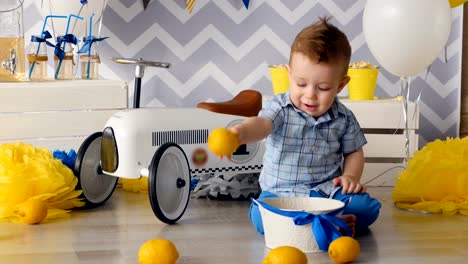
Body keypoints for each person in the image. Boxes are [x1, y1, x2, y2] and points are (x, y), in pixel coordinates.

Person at [227, 17, 381, 235]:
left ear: (340, 85)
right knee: (261, 217)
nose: (310, 95)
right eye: (301, 84)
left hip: (325, 193)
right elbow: (262, 125)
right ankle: (330, 223)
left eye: (323, 87)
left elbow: (354, 151)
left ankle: (314, 223)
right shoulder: (281, 109)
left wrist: (350, 178)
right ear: (289, 74)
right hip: (281, 194)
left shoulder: (344, 118)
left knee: (366, 208)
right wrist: (240, 132)